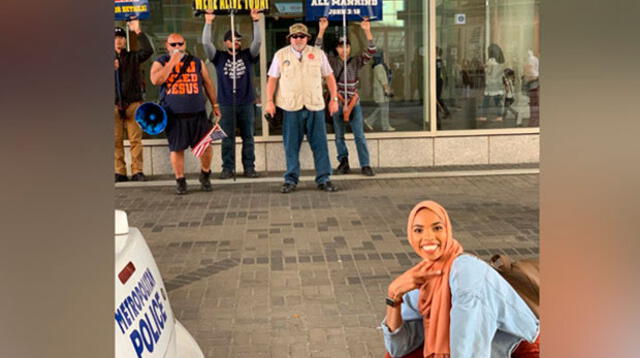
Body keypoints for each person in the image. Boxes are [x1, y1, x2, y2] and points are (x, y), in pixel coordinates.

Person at [382, 201, 540, 358]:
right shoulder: (421, 276)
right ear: (411, 236)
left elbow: (469, 338)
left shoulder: (467, 269)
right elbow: (398, 349)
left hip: (516, 346)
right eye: (418, 230)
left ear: (448, 231)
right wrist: (393, 296)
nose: (428, 237)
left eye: (437, 228)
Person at [265, 23, 340, 194]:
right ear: (289, 38)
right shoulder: (280, 55)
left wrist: (334, 99)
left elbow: (329, 77)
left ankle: (324, 178)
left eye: (302, 36)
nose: (298, 39)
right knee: (291, 145)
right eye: (295, 36)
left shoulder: (318, 54)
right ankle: (290, 179)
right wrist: (269, 101)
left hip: (315, 106)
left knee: (320, 145)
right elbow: (272, 80)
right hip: (291, 107)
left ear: (307, 38)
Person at [150, 33, 221, 195]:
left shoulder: (196, 62)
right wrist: (172, 64)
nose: (177, 48)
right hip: (174, 115)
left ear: (185, 44)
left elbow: (208, 83)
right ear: (167, 46)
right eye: (173, 45)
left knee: (206, 146)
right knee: (177, 149)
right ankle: (180, 180)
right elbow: (156, 80)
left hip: (197, 113)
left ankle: (205, 174)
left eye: (180, 44)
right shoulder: (160, 62)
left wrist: (215, 104)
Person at [202, 9, 261, 179]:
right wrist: (208, 22)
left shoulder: (247, 55)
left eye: (238, 40)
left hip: (247, 102)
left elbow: (257, 42)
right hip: (226, 103)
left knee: (248, 137)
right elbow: (206, 44)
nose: (235, 42)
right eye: (232, 40)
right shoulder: (219, 57)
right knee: (227, 138)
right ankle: (228, 168)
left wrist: (256, 21)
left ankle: (249, 167)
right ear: (225, 42)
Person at [315, 17, 376, 177]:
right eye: (340, 46)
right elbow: (317, 51)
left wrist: (367, 31)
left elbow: (371, 51)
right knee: (339, 136)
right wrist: (322, 30)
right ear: (336, 49)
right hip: (338, 101)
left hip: (354, 102)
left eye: (346, 46)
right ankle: (344, 162)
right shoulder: (331, 62)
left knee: (359, 136)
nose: (344, 49)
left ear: (350, 47)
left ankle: (365, 164)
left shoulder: (356, 61)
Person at [114, 20, 153, 182]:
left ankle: (137, 170)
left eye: (121, 37)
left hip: (133, 104)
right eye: (115, 37)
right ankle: (119, 172)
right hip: (114, 105)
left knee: (135, 140)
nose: (118, 40)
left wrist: (138, 31)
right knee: (115, 141)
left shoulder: (132, 57)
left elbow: (148, 51)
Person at [364, 52, 395, 131]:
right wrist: (387, 89)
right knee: (384, 109)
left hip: (381, 90)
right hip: (381, 91)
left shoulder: (376, 66)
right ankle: (382, 125)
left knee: (382, 108)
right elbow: (383, 79)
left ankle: (371, 121)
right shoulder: (379, 67)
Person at [477, 44, 506, 123]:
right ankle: (500, 116)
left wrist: (484, 67)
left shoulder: (491, 60)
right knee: (497, 101)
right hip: (498, 83)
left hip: (491, 84)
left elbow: (489, 71)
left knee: (485, 101)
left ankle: (484, 116)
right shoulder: (500, 61)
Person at [523, 50, 539, 127]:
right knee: (533, 105)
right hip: (533, 86)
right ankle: (533, 122)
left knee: (534, 105)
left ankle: (534, 122)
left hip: (534, 86)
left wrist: (528, 78)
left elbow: (532, 75)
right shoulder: (534, 60)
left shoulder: (531, 61)